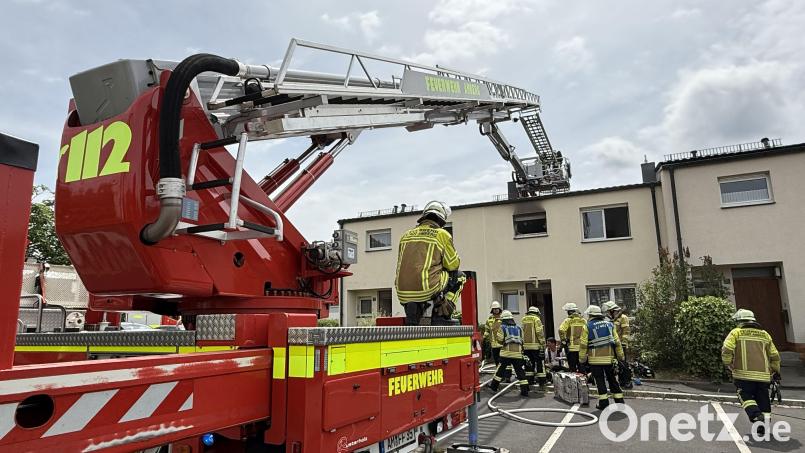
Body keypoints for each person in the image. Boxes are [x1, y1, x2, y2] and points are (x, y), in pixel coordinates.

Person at [395, 201, 465, 326]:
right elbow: (453, 264)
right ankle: (442, 313)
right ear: (441, 220)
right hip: (427, 288)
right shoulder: (442, 234)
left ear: (424, 216)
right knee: (460, 276)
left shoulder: (405, 235)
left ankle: (413, 309)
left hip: (402, 292)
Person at [722, 309, 781, 437]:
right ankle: (763, 426)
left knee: (745, 396)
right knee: (763, 399)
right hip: (763, 377)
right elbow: (775, 355)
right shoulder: (765, 334)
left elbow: (727, 348)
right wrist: (775, 371)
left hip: (743, 375)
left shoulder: (736, 333)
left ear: (739, 321)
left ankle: (755, 415)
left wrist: (728, 363)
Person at [580, 305, 625, 410]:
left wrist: (582, 359)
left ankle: (604, 403)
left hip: (595, 360)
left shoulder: (587, 326)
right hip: (609, 359)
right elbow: (617, 342)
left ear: (590, 315)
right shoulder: (609, 324)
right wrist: (620, 356)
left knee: (600, 381)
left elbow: (583, 345)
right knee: (612, 379)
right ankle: (620, 402)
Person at [486, 310, 530, 397]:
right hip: (517, 354)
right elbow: (522, 340)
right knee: (520, 372)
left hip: (506, 353)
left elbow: (499, 339)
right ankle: (525, 391)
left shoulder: (502, 327)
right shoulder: (519, 328)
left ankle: (493, 387)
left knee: (500, 371)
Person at [522, 306, 547, 390]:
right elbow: (539, 332)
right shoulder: (536, 319)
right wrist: (543, 343)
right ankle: (542, 382)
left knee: (529, 364)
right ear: (536, 313)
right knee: (540, 364)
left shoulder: (524, 319)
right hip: (536, 346)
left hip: (526, 346)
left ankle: (530, 381)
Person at [558, 303, 586, 372]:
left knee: (572, 367)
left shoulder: (568, 320)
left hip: (571, 348)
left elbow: (561, 330)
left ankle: (574, 381)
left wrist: (563, 340)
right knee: (581, 366)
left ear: (570, 312)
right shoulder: (583, 320)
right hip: (582, 347)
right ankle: (582, 381)